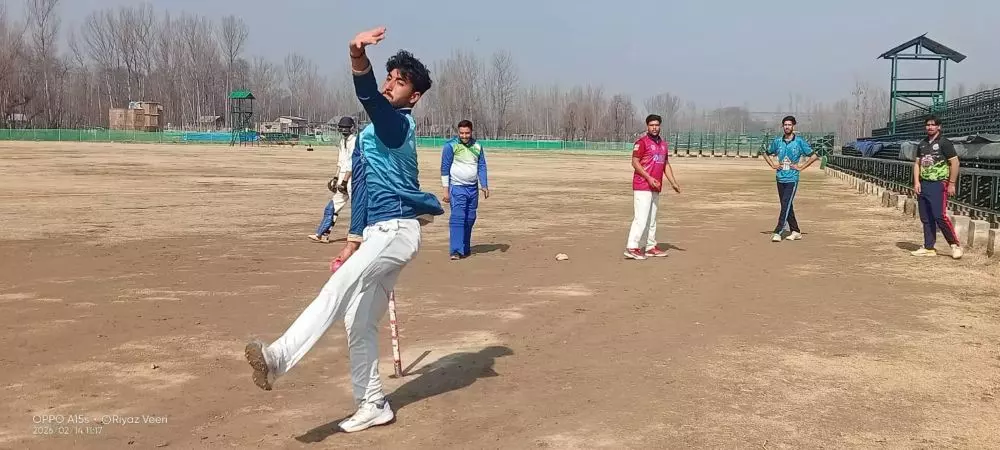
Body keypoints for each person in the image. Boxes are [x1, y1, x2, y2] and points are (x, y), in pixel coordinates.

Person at [244, 26, 443, 433]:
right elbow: (364, 190)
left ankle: (278, 358)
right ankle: (372, 403)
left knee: (337, 291)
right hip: (377, 235)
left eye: (399, 82)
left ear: (414, 96)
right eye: (389, 77)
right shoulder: (370, 135)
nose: (390, 85)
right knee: (357, 321)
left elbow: (368, 97)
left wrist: (357, 56)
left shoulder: (397, 126)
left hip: (397, 231)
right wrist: (353, 241)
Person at [624, 114, 680, 260]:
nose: (654, 128)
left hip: (656, 186)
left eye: (657, 125)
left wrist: (673, 182)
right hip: (642, 185)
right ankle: (632, 247)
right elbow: (634, 162)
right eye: (651, 125)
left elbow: (665, 164)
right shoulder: (642, 143)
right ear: (647, 126)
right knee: (641, 218)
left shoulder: (663, 145)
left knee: (652, 219)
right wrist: (648, 178)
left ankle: (650, 246)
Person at [911, 115, 963, 259]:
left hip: (939, 183)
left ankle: (955, 245)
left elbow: (955, 163)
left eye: (933, 125)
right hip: (924, 183)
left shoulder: (944, 143)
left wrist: (951, 183)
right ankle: (929, 247)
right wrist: (917, 182)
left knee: (939, 215)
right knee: (926, 217)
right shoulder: (922, 144)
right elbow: (917, 164)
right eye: (928, 125)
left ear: (939, 127)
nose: (930, 127)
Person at [762, 115, 818, 242]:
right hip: (780, 178)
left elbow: (814, 155)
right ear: (783, 126)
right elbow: (765, 152)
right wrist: (773, 165)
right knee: (786, 205)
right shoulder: (777, 142)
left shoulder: (799, 142)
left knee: (786, 204)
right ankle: (796, 231)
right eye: (785, 125)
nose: (787, 127)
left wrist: (801, 167)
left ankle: (778, 231)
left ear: (793, 126)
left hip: (792, 179)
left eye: (789, 125)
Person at [440, 119, 490, 260]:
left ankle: (465, 247)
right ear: (458, 132)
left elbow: (481, 166)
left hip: (472, 188)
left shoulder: (478, 146)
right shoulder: (450, 146)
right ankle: (455, 250)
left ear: (471, 132)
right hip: (457, 187)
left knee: (470, 218)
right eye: (461, 133)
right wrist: (446, 190)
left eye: (467, 133)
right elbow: (444, 168)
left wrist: (484, 185)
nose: (464, 136)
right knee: (458, 217)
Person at [308, 116, 356, 243]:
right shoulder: (342, 141)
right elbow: (341, 161)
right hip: (343, 178)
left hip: (353, 179)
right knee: (332, 208)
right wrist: (336, 177)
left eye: (346, 127)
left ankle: (363, 236)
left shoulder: (355, 141)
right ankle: (323, 234)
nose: (344, 130)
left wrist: (345, 181)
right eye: (342, 128)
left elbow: (352, 163)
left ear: (352, 128)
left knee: (358, 209)